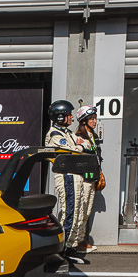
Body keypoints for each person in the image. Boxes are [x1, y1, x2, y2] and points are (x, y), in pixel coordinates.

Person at [44, 100, 85, 263]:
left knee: (76, 212)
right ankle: (61, 250)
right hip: (67, 176)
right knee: (69, 212)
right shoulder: (56, 134)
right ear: (60, 117)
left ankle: (70, 247)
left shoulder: (66, 133)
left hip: (74, 175)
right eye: (68, 115)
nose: (71, 118)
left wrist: (80, 147)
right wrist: (80, 148)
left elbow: (82, 145)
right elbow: (71, 152)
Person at [75, 105, 103, 253]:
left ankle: (83, 240)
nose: (95, 121)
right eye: (91, 118)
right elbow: (77, 152)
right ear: (84, 121)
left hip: (92, 177)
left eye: (95, 118)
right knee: (81, 210)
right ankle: (78, 242)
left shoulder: (93, 135)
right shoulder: (80, 136)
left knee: (87, 211)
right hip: (83, 179)